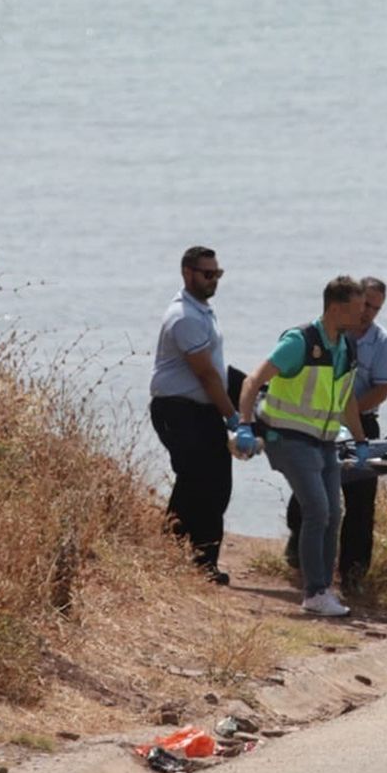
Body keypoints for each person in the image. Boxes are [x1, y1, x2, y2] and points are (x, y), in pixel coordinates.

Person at [237, 276, 375, 616]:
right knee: (317, 509)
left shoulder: (347, 347)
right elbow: (253, 380)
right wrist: (243, 424)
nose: (365, 315)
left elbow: (347, 404)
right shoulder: (299, 342)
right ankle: (314, 592)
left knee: (333, 514)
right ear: (336, 308)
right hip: (288, 438)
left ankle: (323, 589)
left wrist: (361, 442)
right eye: (359, 308)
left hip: (325, 443)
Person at [283, 276, 387, 595]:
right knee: (308, 488)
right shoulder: (326, 336)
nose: (369, 313)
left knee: (360, 503)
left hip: (361, 422)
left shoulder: (383, 343)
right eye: (366, 305)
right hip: (318, 422)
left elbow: (381, 390)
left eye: (376, 308)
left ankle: (353, 574)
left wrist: (349, 416)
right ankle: (299, 545)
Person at [149, 246, 238, 585]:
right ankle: (195, 559)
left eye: (218, 273)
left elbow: (216, 370)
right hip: (180, 410)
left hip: (200, 410)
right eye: (207, 273)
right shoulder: (184, 316)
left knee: (209, 482)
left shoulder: (202, 310)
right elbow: (206, 375)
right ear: (188, 273)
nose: (214, 279)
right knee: (200, 481)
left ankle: (185, 554)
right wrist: (232, 417)